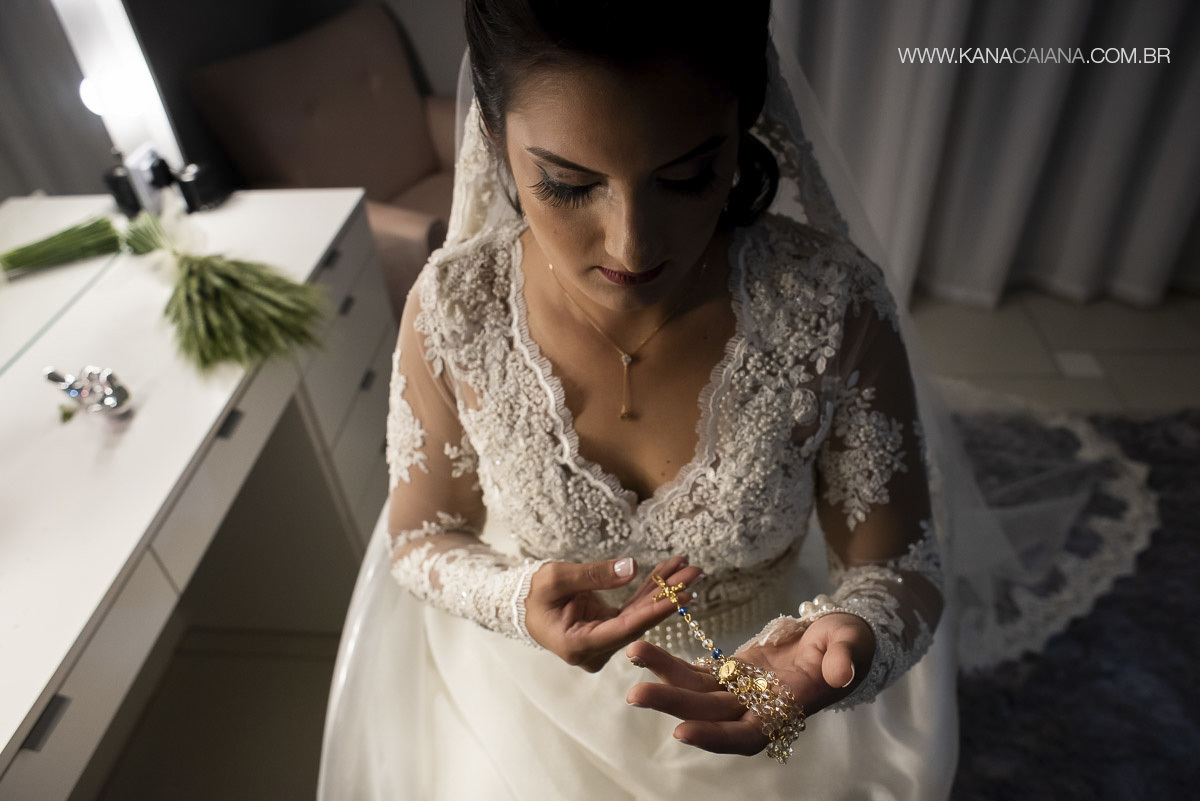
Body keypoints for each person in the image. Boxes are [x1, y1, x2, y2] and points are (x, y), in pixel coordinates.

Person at [317, 2, 1156, 798]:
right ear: (495, 139)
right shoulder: (456, 307)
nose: (631, 244)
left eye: (686, 177)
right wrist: (511, 597)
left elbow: (901, 565)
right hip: (519, 699)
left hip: (763, 670)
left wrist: (848, 645)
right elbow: (422, 532)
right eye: (569, 185)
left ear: (743, 131)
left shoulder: (832, 307)